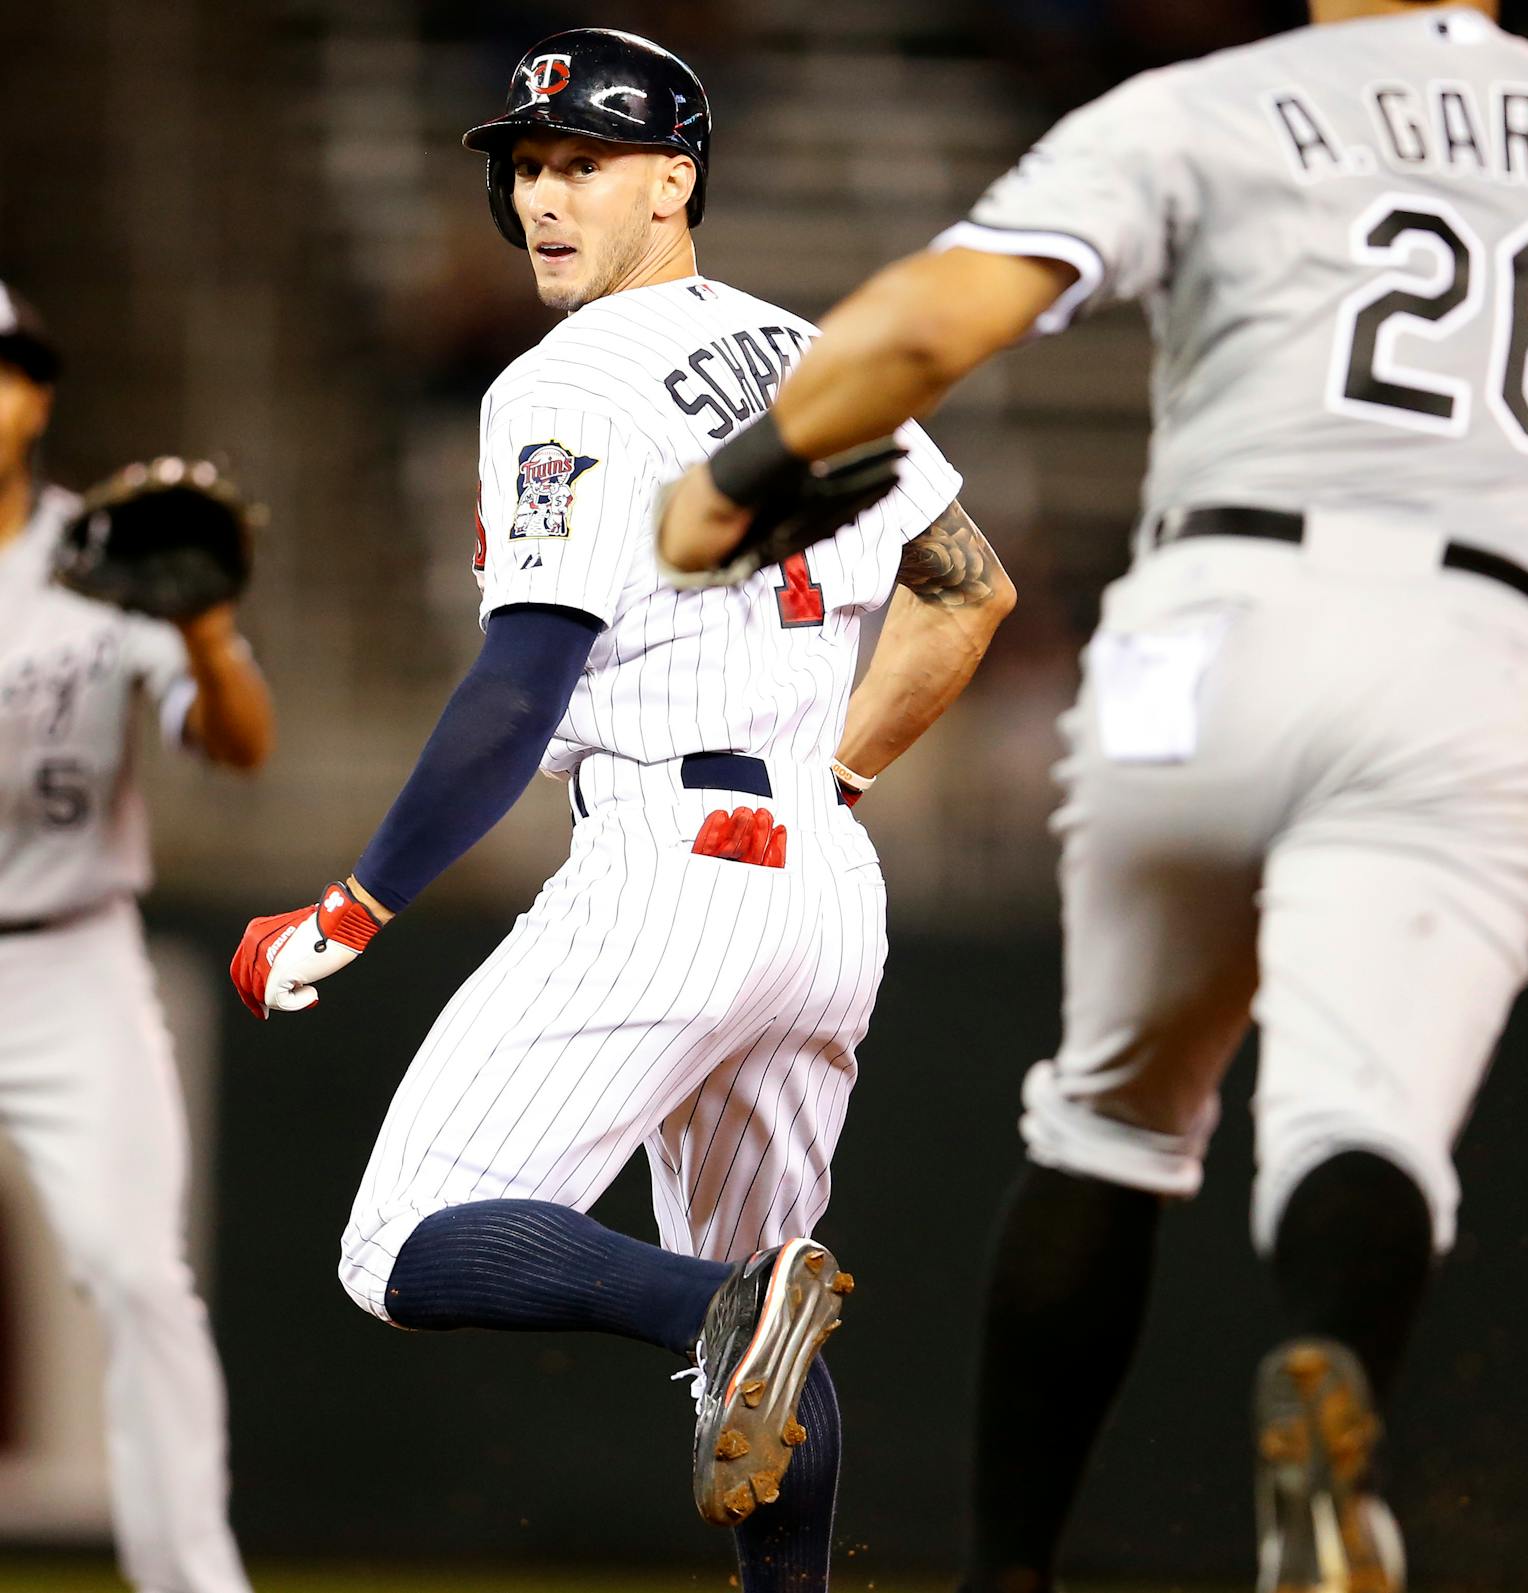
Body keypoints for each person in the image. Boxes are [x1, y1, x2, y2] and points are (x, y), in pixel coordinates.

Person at [655, 3, 1528, 1590]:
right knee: (1361, 1125)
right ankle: (1328, 1376)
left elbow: (935, 324)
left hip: (1199, 634)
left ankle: (1008, 1577)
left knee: (1109, 1124)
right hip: (1469, 656)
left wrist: (741, 471)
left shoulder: (1213, 100)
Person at [224, 27, 1014, 1585]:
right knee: (762, 1325)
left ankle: (709, 1306)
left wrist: (358, 902)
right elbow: (969, 592)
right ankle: (741, 1360)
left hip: (669, 864)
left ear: (678, 176)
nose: (542, 197)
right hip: (822, 885)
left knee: (403, 1244)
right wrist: (834, 776)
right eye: (526, 166)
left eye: (584, 161)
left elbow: (522, 683)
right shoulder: (815, 351)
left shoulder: (564, 380)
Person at [0, 281, 275, 1593]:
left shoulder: (104, 560)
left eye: (4, 369)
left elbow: (239, 744)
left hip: (68, 956)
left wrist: (209, 635)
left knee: (136, 1275)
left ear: (38, 399)